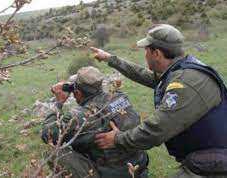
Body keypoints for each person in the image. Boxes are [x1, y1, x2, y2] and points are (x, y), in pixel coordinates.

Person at [90, 24, 227, 178]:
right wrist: (111, 59)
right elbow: (146, 75)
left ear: (156, 53)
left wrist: (117, 139)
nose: (145, 55)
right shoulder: (182, 69)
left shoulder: (184, 83)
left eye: (146, 51)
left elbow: (155, 130)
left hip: (213, 165)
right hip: (207, 157)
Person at [41, 66, 149, 178]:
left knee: (52, 152)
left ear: (77, 92)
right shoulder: (120, 97)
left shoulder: (80, 115)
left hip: (111, 173)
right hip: (137, 167)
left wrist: (58, 103)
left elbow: (47, 135)